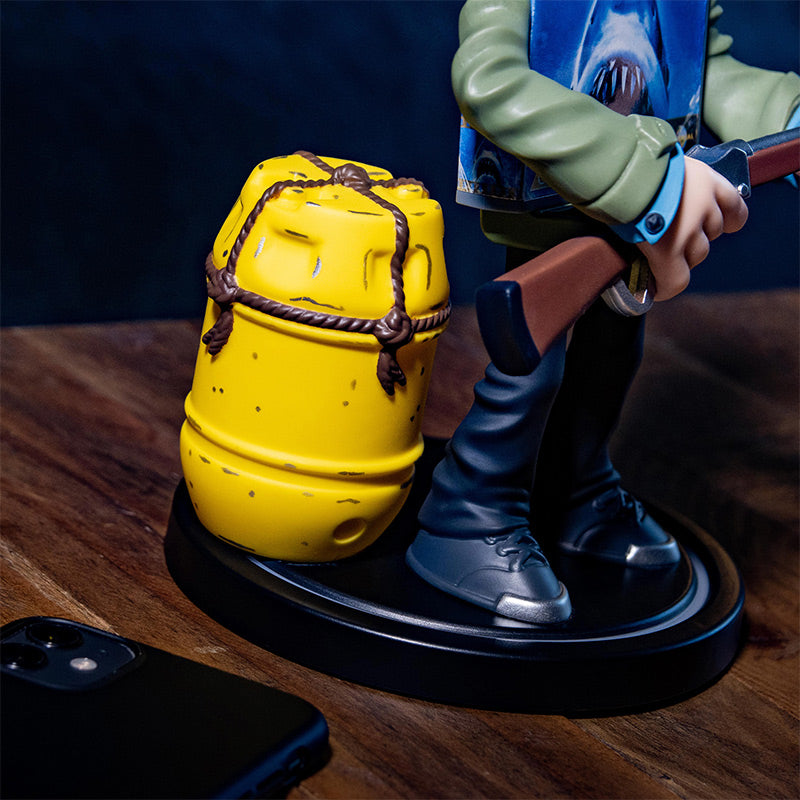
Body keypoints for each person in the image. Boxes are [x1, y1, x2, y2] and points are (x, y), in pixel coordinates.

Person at [406, 0, 800, 624]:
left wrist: (787, 113)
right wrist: (649, 175)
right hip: (557, 196)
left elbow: (710, 69)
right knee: (531, 370)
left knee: (613, 354)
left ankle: (576, 488)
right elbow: (490, 82)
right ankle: (465, 516)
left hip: (638, 217)